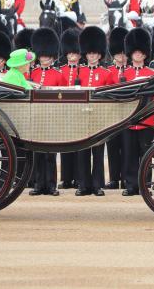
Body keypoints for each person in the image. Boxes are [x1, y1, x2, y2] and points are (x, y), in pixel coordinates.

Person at [121, 27, 154, 196]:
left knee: (146, 154)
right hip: (129, 120)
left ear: (145, 54)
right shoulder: (125, 74)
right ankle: (130, 185)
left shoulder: (151, 74)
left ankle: (144, 185)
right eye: (135, 52)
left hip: (147, 119)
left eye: (140, 52)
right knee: (129, 154)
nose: (137, 55)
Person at [29, 28, 64, 196]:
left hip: (52, 118)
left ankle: (51, 185)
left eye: (46, 56)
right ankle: (38, 184)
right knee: (37, 153)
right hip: (37, 117)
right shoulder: (32, 73)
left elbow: (64, 97)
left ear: (52, 56)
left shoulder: (59, 75)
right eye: (41, 55)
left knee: (50, 154)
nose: (43, 58)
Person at [75, 27, 110, 196]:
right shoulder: (79, 71)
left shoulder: (106, 73)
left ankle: (97, 185)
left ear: (100, 55)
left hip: (98, 117)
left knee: (98, 152)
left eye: (95, 53)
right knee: (82, 152)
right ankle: (83, 185)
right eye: (89, 53)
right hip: (82, 117)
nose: (92, 56)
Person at [104, 27, 129, 190]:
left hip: (128, 114)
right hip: (112, 115)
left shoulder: (132, 71)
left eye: (123, 53)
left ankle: (126, 178)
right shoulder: (109, 71)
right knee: (112, 148)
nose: (121, 56)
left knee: (127, 149)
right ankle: (114, 178)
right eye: (118, 54)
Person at [58, 27, 82, 189]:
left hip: (80, 114)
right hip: (64, 113)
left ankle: (79, 178)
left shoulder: (84, 70)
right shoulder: (60, 71)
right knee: (65, 146)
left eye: (75, 53)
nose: (72, 56)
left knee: (79, 147)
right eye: (70, 53)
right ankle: (66, 178)